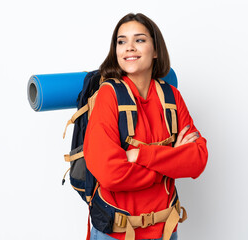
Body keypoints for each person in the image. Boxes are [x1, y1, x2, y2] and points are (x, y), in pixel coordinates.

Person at [83, 13, 208, 240]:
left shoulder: (171, 97)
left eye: (139, 40)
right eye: (121, 41)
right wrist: (170, 161)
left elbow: (198, 160)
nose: (129, 47)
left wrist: (139, 155)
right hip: (116, 234)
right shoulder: (108, 96)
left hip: (166, 230)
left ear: (156, 50)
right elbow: (110, 173)